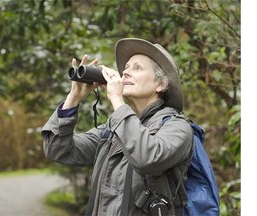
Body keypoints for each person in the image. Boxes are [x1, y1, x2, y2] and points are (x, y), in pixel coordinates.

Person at [41, 38, 193, 216]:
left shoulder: (177, 127)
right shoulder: (111, 131)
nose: (126, 73)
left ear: (161, 84)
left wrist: (117, 100)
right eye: (126, 68)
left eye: (137, 68)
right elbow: (57, 149)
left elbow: (148, 159)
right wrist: (73, 97)